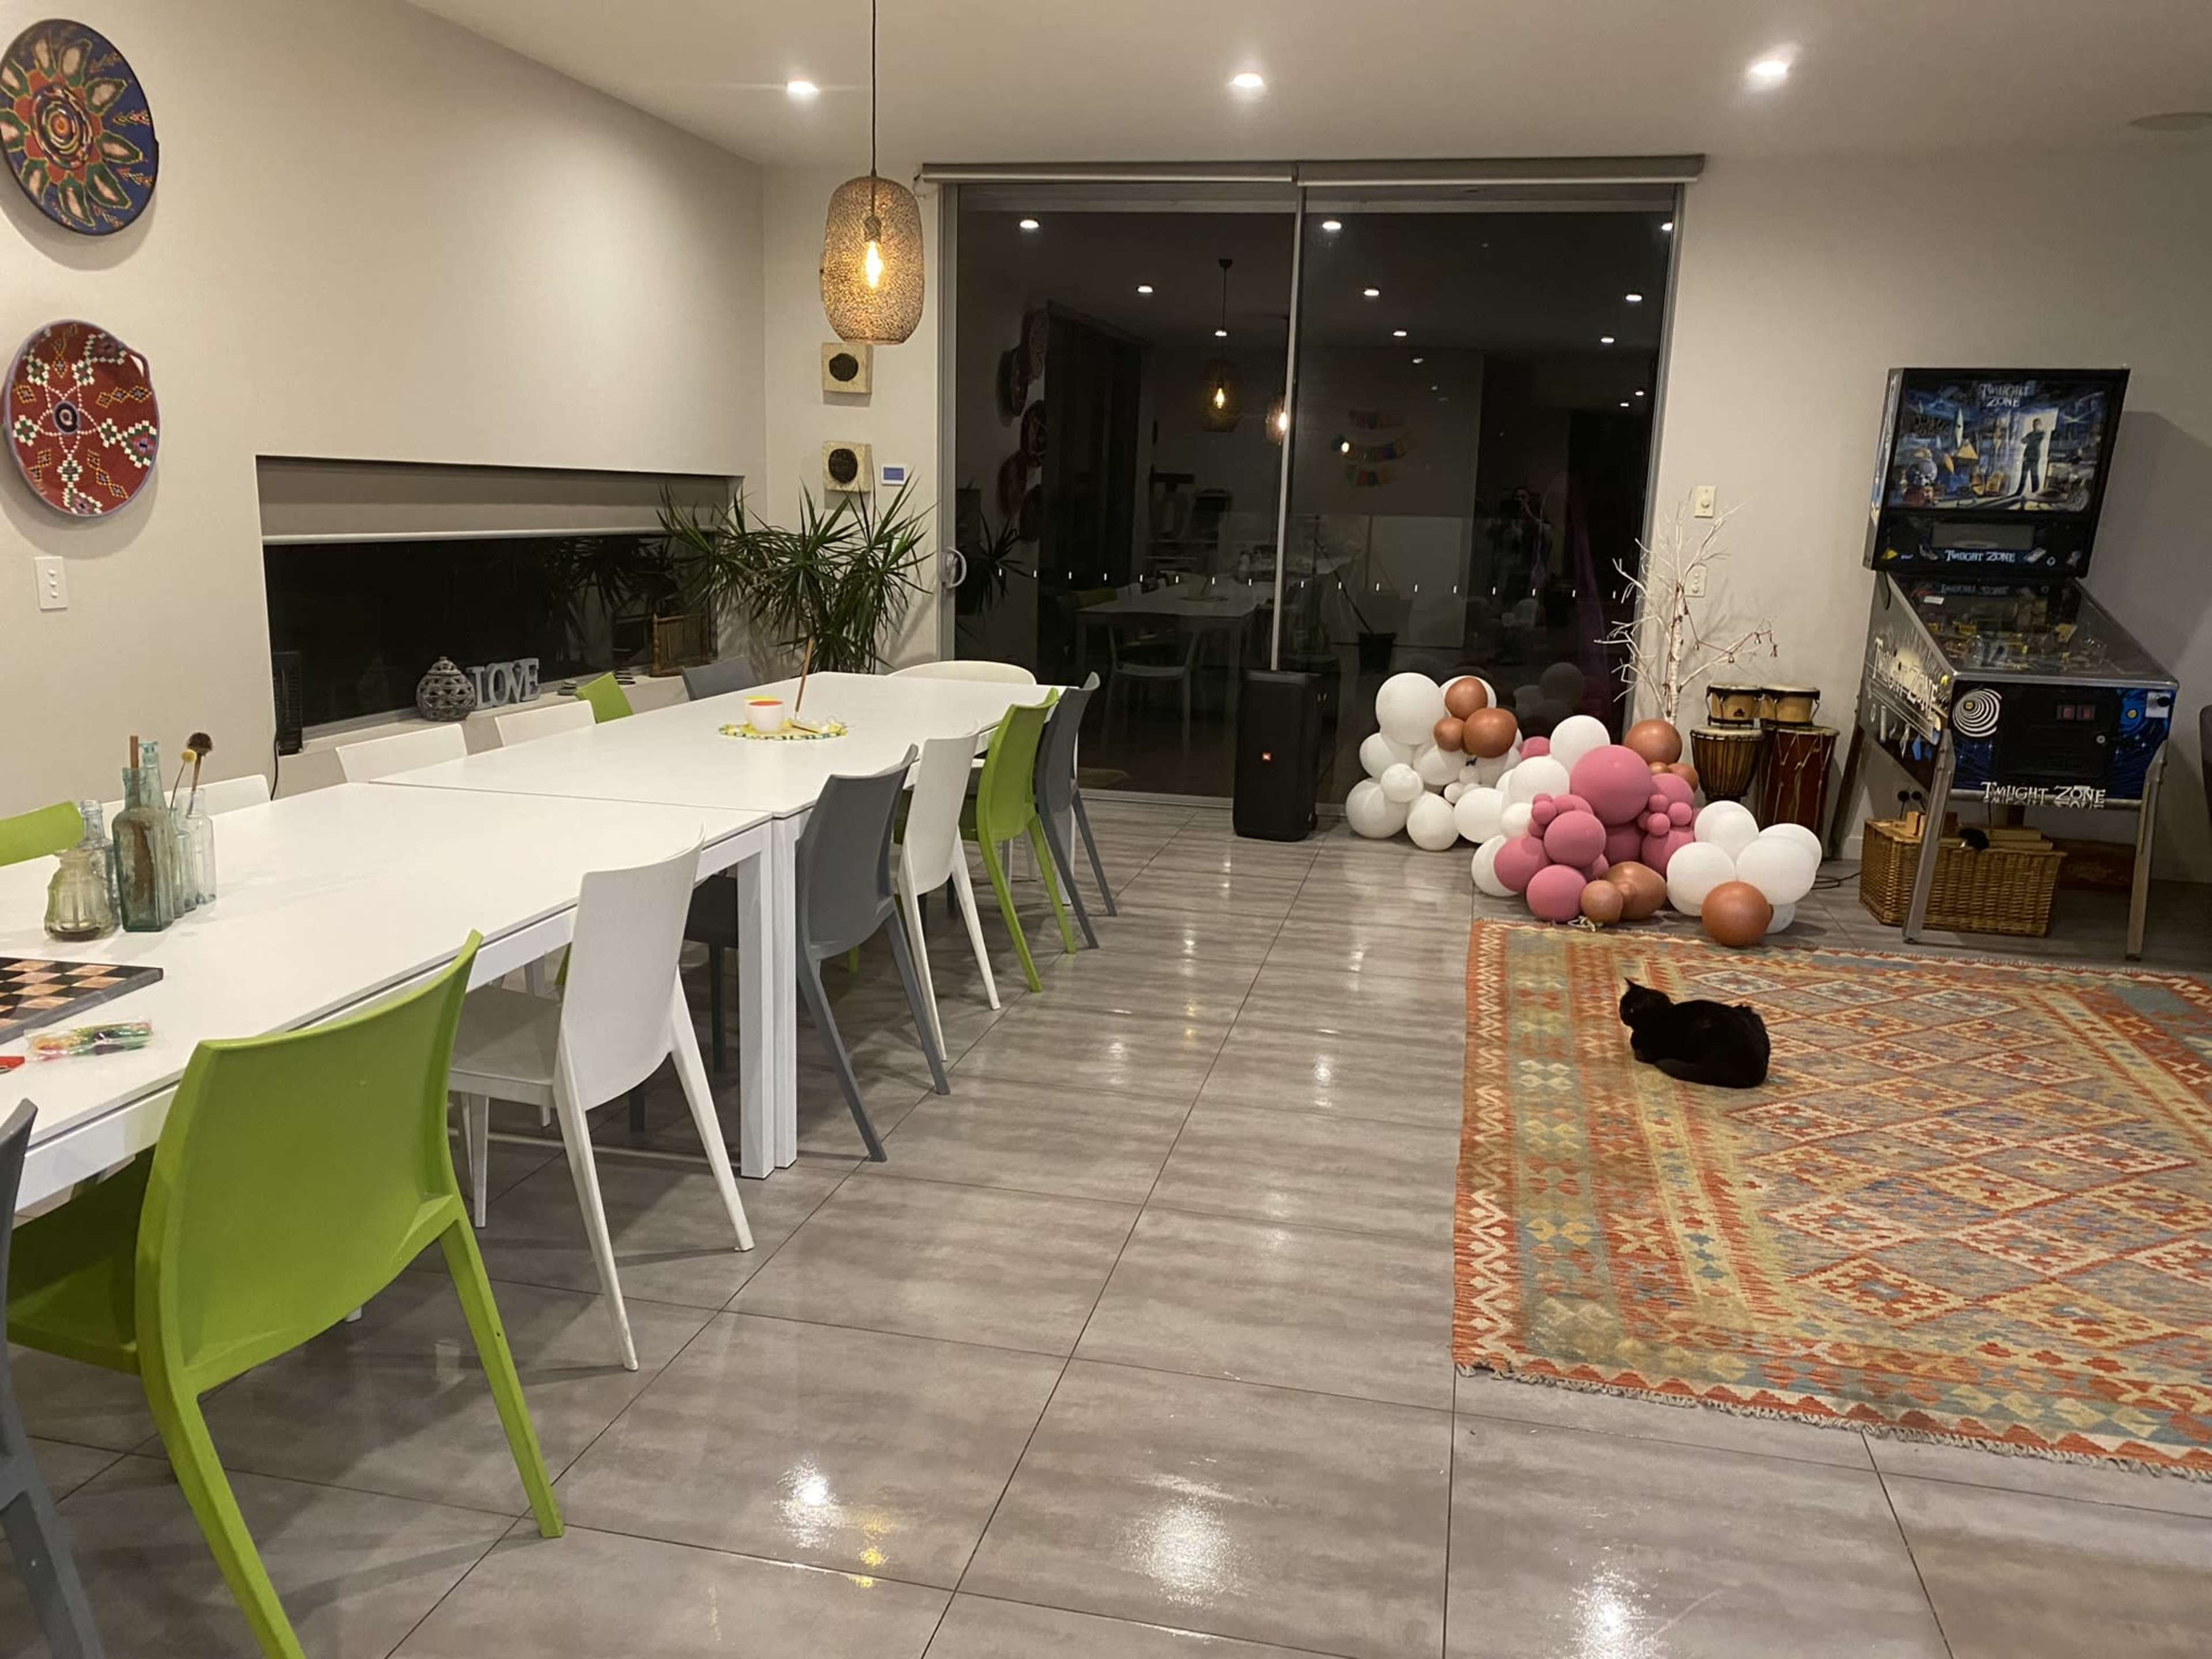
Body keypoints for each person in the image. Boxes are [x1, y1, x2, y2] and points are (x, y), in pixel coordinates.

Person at [2019, 416, 2048, 497]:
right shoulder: (2030, 434)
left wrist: (2029, 441)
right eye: (2034, 424)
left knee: (2034, 474)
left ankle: (2035, 492)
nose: (2035, 425)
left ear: (2040, 425)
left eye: (2037, 424)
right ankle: (2019, 492)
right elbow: (2023, 441)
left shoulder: (2042, 433)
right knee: (2024, 475)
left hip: (2035, 457)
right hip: (2027, 456)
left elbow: (2035, 443)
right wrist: (2029, 441)